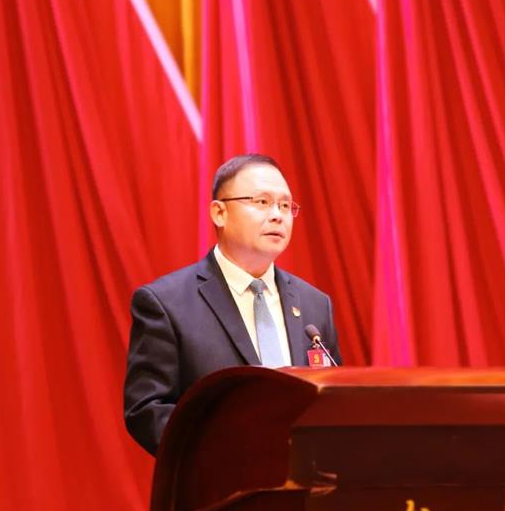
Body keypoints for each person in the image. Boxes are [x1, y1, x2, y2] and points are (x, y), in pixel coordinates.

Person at [124, 154, 342, 455]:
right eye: (262, 202)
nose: (277, 215)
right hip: (217, 478)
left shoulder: (314, 304)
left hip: (305, 479)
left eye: (285, 205)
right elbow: (147, 409)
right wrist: (224, 452)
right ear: (219, 213)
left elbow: (333, 400)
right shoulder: (166, 303)